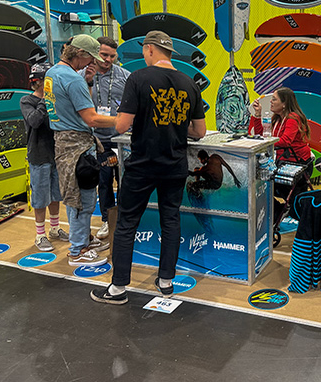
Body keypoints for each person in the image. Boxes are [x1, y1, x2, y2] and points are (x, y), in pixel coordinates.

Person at [91, 30, 206, 305]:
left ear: (150, 49)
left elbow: (122, 126)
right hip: (174, 165)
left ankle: (118, 288)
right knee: (171, 220)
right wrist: (174, 126)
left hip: (143, 164)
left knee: (127, 223)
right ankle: (166, 281)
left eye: (144, 50)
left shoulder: (138, 78)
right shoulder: (189, 83)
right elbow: (199, 131)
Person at [44, 35, 117, 267]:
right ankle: (77, 250)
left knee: (75, 194)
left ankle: (83, 238)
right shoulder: (72, 79)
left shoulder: (52, 73)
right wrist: (122, 120)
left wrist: (87, 81)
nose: (92, 63)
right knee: (81, 199)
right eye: (90, 58)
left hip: (63, 142)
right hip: (77, 147)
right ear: (80, 54)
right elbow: (91, 118)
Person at [78, 36, 130, 240]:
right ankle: (108, 220)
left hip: (122, 139)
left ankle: (125, 219)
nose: (108, 60)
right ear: (95, 53)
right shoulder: (82, 75)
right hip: (97, 141)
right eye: (104, 55)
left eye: (112, 56)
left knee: (124, 182)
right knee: (104, 182)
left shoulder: (125, 76)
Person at [20, 62, 67, 252]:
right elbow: (34, 121)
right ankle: (40, 235)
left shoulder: (54, 99)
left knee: (56, 194)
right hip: (39, 155)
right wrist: (45, 100)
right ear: (39, 81)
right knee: (40, 197)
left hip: (56, 153)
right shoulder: (27, 101)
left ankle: (55, 228)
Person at [249, 88, 312, 219]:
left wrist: (265, 142)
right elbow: (262, 135)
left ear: (284, 103)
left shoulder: (293, 118)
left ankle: (280, 211)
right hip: (283, 162)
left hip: (298, 164)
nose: (270, 102)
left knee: (264, 183)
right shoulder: (277, 119)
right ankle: (278, 211)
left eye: (274, 99)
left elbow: (285, 141)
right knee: (259, 182)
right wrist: (258, 115)